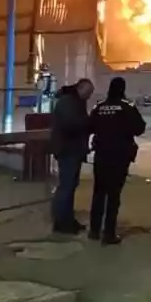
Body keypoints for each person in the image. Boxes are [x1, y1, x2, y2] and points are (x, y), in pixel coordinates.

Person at [87, 76, 146, 245]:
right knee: (114, 195)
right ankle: (109, 234)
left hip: (101, 155)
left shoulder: (99, 107)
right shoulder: (127, 107)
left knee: (98, 193)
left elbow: (89, 127)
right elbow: (139, 129)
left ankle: (94, 230)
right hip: (120, 156)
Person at [49, 77, 94, 234]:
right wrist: (88, 123)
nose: (89, 96)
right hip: (68, 150)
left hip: (71, 150)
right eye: (88, 93)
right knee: (66, 187)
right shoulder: (69, 102)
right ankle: (61, 222)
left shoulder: (74, 101)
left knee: (70, 186)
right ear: (80, 88)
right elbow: (71, 125)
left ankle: (68, 219)